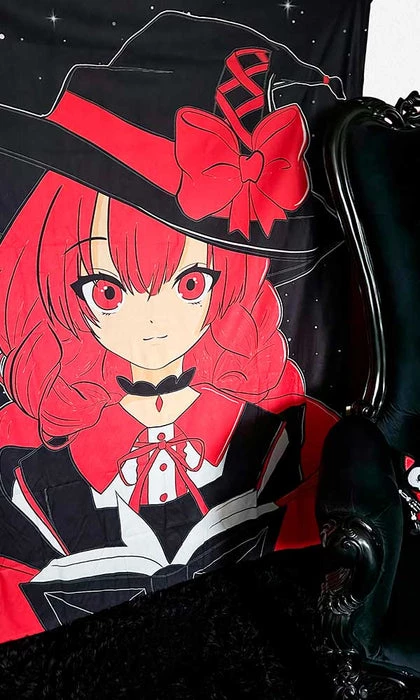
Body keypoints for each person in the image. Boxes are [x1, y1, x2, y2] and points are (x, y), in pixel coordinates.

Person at [0, 10, 341, 642]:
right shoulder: (25, 476)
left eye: (189, 285)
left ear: (230, 280)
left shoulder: (294, 437)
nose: (152, 322)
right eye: (108, 290)